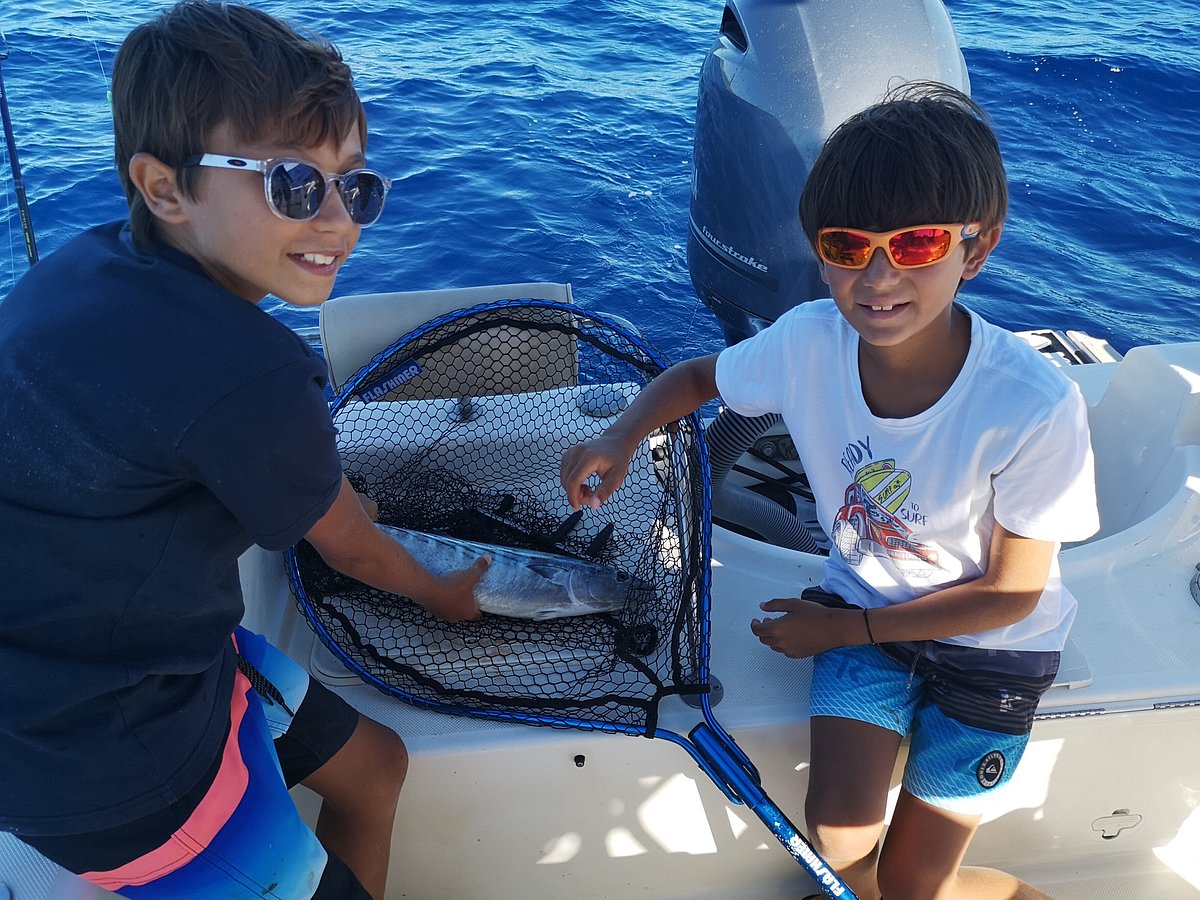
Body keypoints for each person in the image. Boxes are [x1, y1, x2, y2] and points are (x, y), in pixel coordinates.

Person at [561, 82, 1098, 899]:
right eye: (848, 247)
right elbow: (701, 376)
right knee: (838, 835)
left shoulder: (1035, 404)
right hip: (865, 610)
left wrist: (844, 629)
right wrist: (620, 433)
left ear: (975, 249)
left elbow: (1010, 594)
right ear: (819, 252)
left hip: (993, 651)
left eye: (916, 245)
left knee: (917, 882)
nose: (878, 278)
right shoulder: (806, 339)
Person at [0, 2, 489, 897]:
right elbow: (346, 543)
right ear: (165, 188)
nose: (339, 220)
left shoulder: (85, 264)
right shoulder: (254, 376)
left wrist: (338, 502)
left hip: (99, 663)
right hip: (113, 763)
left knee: (373, 771)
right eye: (295, 185)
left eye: (356, 186)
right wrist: (442, 594)